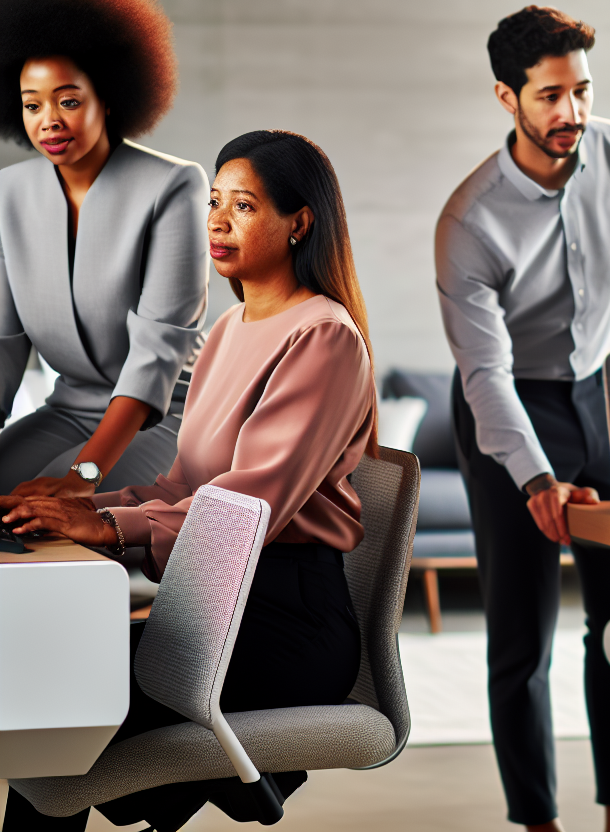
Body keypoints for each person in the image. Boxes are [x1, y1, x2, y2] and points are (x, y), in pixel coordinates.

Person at [0, 130, 376, 830]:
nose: (218, 220)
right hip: (207, 606)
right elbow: (185, 483)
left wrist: (108, 526)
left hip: (283, 623)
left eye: (244, 205)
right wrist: (75, 504)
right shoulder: (228, 330)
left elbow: (244, 507)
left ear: (300, 221)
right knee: (41, 688)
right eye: (213, 202)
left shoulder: (323, 336)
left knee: (57, 699)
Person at [436, 6, 610, 832]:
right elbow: (485, 375)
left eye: (582, 91)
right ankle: (539, 822)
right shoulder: (469, 221)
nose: (572, 114)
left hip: (604, 395)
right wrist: (536, 477)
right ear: (506, 97)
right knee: (522, 641)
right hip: (509, 411)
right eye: (550, 95)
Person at [0, 0, 208, 499]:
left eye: (68, 100)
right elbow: (3, 349)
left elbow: (157, 354)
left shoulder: (174, 187)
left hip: (166, 415)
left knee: (51, 513)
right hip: (67, 410)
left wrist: (80, 479)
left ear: (109, 97)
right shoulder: (10, 194)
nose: (48, 119)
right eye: (32, 104)